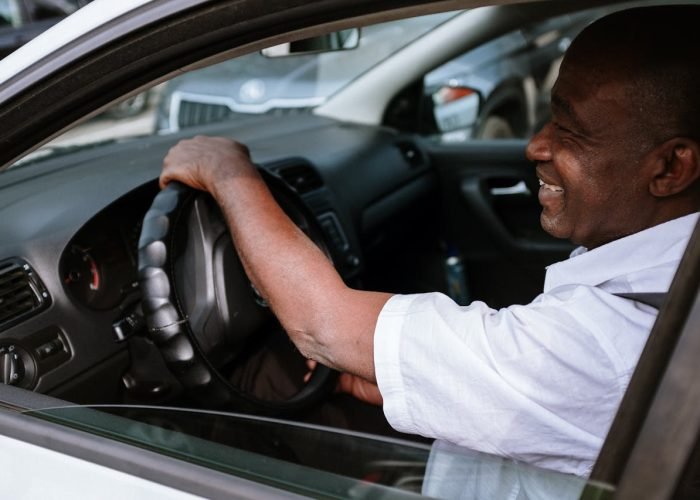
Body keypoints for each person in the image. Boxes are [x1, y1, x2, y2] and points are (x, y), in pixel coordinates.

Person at [159, 5, 700, 478]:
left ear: (671, 168)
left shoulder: (611, 345)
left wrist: (228, 174)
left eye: (571, 130)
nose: (536, 145)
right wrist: (415, 380)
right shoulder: (660, 283)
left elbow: (322, 325)